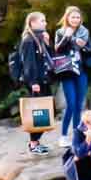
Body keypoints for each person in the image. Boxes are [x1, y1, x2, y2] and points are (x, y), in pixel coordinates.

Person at [54, 6, 91, 148]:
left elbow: (89, 49)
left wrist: (81, 45)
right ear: (67, 18)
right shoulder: (60, 32)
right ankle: (63, 136)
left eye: (77, 17)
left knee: (79, 104)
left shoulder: (85, 32)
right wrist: (68, 36)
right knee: (71, 104)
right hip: (67, 71)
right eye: (73, 17)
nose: (75, 20)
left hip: (81, 70)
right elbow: (57, 49)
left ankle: (77, 134)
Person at [19, 11, 53, 155]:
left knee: (45, 112)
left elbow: (49, 57)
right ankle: (33, 144)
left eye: (45, 21)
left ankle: (36, 142)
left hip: (43, 80)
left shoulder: (39, 38)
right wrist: (33, 82)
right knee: (38, 114)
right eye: (42, 21)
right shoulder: (29, 40)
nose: (45, 23)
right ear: (32, 23)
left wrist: (47, 42)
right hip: (36, 82)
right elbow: (29, 64)